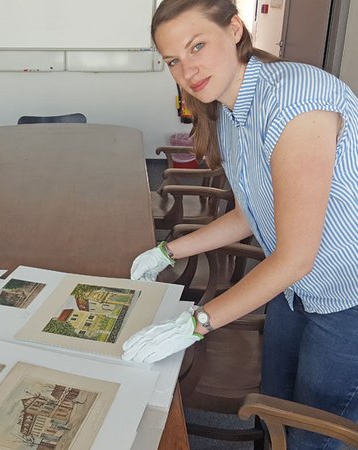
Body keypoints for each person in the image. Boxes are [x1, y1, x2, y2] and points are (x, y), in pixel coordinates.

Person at [121, 1, 358, 448]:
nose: (188, 69)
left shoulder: (294, 99)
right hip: (296, 289)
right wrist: (168, 251)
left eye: (197, 46)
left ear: (234, 30)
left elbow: (296, 256)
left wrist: (195, 323)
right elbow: (257, 210)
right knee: (276, 408)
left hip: (349, 298)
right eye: (173, 60)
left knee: (315, 434)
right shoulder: (229, 109)